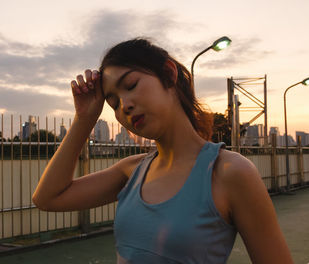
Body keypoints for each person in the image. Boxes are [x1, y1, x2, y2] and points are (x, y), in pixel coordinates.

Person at [32, 38, 293, 263]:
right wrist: (84, 119)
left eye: (131, 85)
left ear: (169, 74)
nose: (125, 105)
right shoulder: (132, 170)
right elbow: (47, 198)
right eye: (113, 103)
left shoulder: (229, 172)